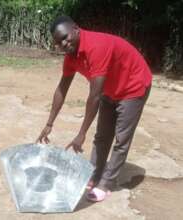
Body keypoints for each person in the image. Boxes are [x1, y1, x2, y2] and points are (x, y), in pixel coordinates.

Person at [36, 15, 152, 202]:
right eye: (59, 42)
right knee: (102, 136)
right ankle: (94, 175)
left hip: (133, 85)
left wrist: (81, 133)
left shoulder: (96, 46)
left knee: (121, 139)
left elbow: (95, 95)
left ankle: (106, 183)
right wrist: (49, 123)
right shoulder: (71, 57)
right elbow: (62, 88)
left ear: (76, 28)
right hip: (110, 88)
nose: (64, 44)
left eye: (65, 37)